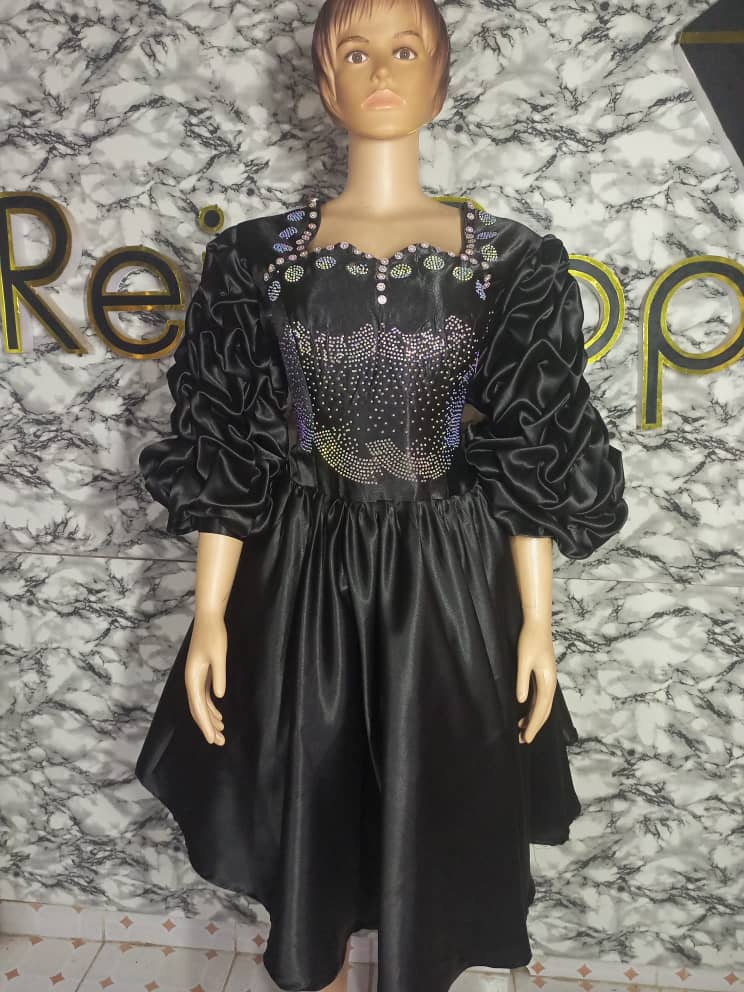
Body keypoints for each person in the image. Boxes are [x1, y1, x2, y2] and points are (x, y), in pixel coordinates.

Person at [135, 0, 628, 990]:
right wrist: (210, 611)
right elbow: (229, 436)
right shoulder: (253, 258)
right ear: (326, 79)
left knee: (434, 809)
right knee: (309, 801)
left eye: (406, 49)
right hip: (298, 579)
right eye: (356, 52)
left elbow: (533, 445)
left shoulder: (514, 261)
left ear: (441, 74)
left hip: (448, 584)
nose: (382, 72)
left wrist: (537, 622)